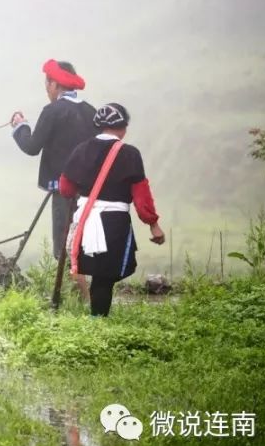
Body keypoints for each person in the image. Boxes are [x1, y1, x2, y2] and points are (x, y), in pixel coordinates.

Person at [58, 103, 166, 317]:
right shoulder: (130, 154)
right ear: (124, 127)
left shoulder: (82, 149)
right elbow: (141, 196)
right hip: (114, 223)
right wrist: (153, 225)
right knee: (105, 277)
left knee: (97, 272)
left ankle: (95, 321)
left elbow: (65, 188)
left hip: (87, 220)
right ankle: (98, 320)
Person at [10, 59, 96, 297]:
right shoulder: (90, 112)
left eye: (47, 84)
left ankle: (75, 299)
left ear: (55, 84)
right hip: (90, 190)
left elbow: (32, 146)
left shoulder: (52, 111)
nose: (46, 89)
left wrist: (20, 126)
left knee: (63, 247)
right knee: (81, 241)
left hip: (63, 189)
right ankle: (82, 296)